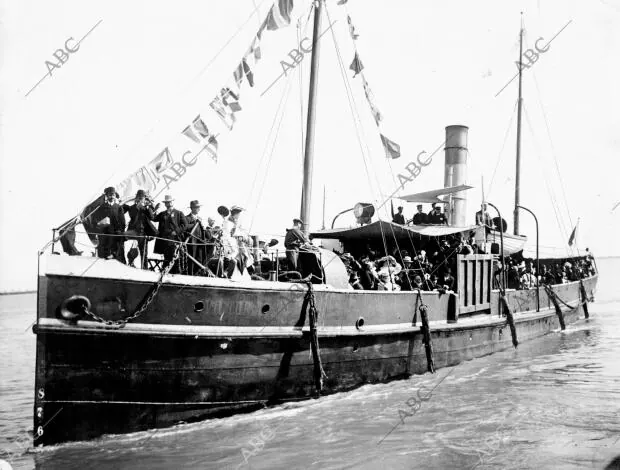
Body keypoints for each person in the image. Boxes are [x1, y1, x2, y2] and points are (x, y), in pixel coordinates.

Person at [123, 189, 157, 269]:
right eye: (139, 198)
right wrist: (137, 208)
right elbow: (132, 216)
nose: (141, 199)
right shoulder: (132, 208)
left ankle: (144, 268)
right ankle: (128, 263)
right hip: (133, 231)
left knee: (144, 252)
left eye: (142, 198)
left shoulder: (148, 207)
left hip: (143, 232)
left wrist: (146, 207)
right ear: (137, 198)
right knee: (124, 240)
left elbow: (152, 217)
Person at [154, 195, 187, 273]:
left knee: (174, 259)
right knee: (166, 259)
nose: (168, 204)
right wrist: (154, 208)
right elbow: (154, 218)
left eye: (169, 202)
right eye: (166, 202)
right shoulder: (162, 214)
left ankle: (175, 274)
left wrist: (176, 231)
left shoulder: (179, 213)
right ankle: (166, 274)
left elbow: (184, 225)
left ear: (172, 202)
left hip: (175, 240)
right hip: (165, 240)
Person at [94, 186, 126, 263]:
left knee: (117, 250)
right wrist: (100, 225)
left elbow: (122, 222)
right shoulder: (102, 207)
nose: (111, 197)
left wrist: (120, 231)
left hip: (115, 233)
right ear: (106, 196)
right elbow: (96, 219)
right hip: (104, 232)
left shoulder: (118, 207)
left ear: (115, 196)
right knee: (103, 253)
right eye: (110, 195)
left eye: (113, 195)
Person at [185, 200, 208, 275]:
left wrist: (203, 226)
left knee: (199, 260)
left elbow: (204, 231)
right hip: (192, 243)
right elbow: (185, 228)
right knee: (191, 261)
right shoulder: (187, 218)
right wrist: (195, 223)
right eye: (197, 207)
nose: (199, 209)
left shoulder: (201, 219)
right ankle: (190, 275)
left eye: (199, 207)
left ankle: (198, 275)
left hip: (199, 243)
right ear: (192, 208)